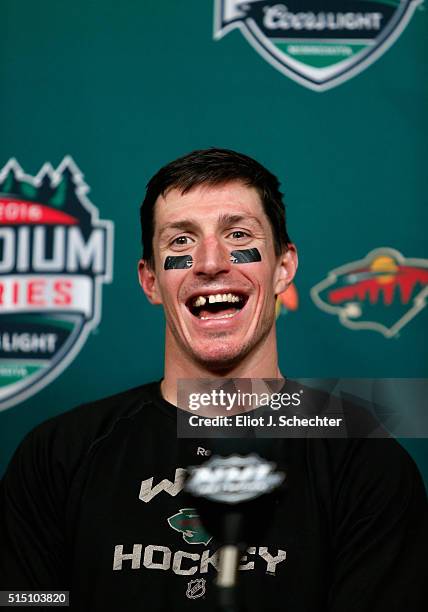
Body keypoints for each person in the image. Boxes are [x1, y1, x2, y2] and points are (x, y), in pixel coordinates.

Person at [0, 148, 426, 611]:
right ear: (149, 281)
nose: (209, 262)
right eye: (180, 242)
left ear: (283, 267)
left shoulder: (364, 460)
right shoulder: (57, 456)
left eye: (238, 234)